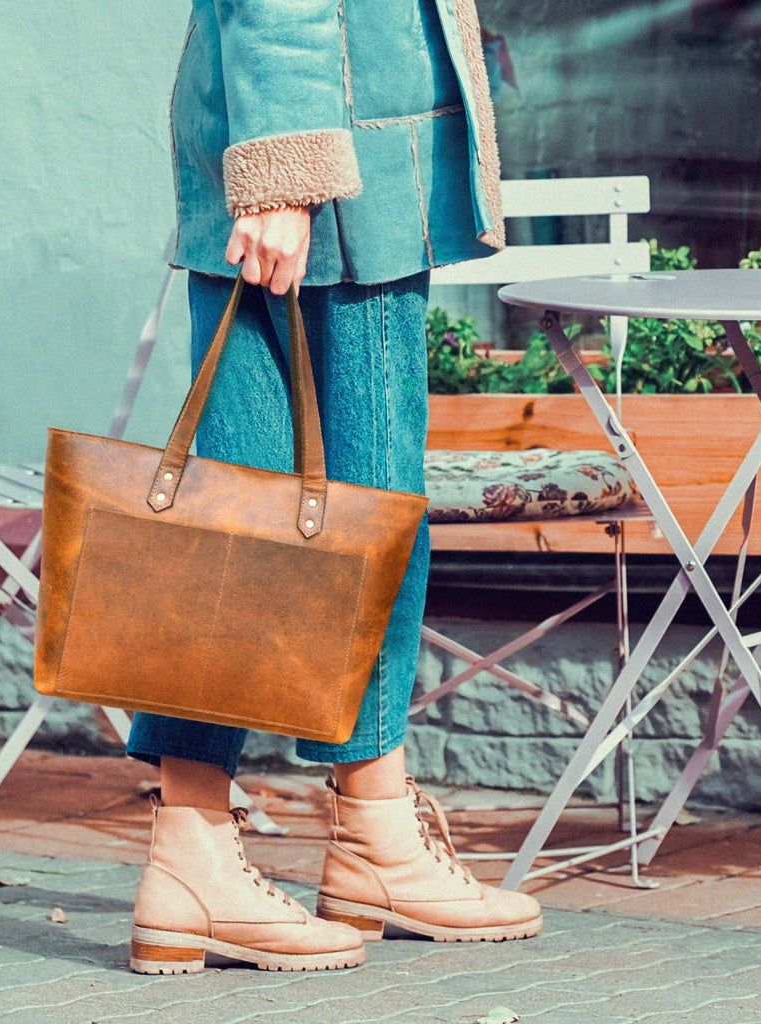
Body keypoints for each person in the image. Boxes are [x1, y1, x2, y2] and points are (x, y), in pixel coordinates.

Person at [125, 0, 543, 974]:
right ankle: (371, 837)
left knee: (240, 505)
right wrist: (286, 174)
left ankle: (198, 851)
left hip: (322, 147)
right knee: (365, 508)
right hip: (343, 162)